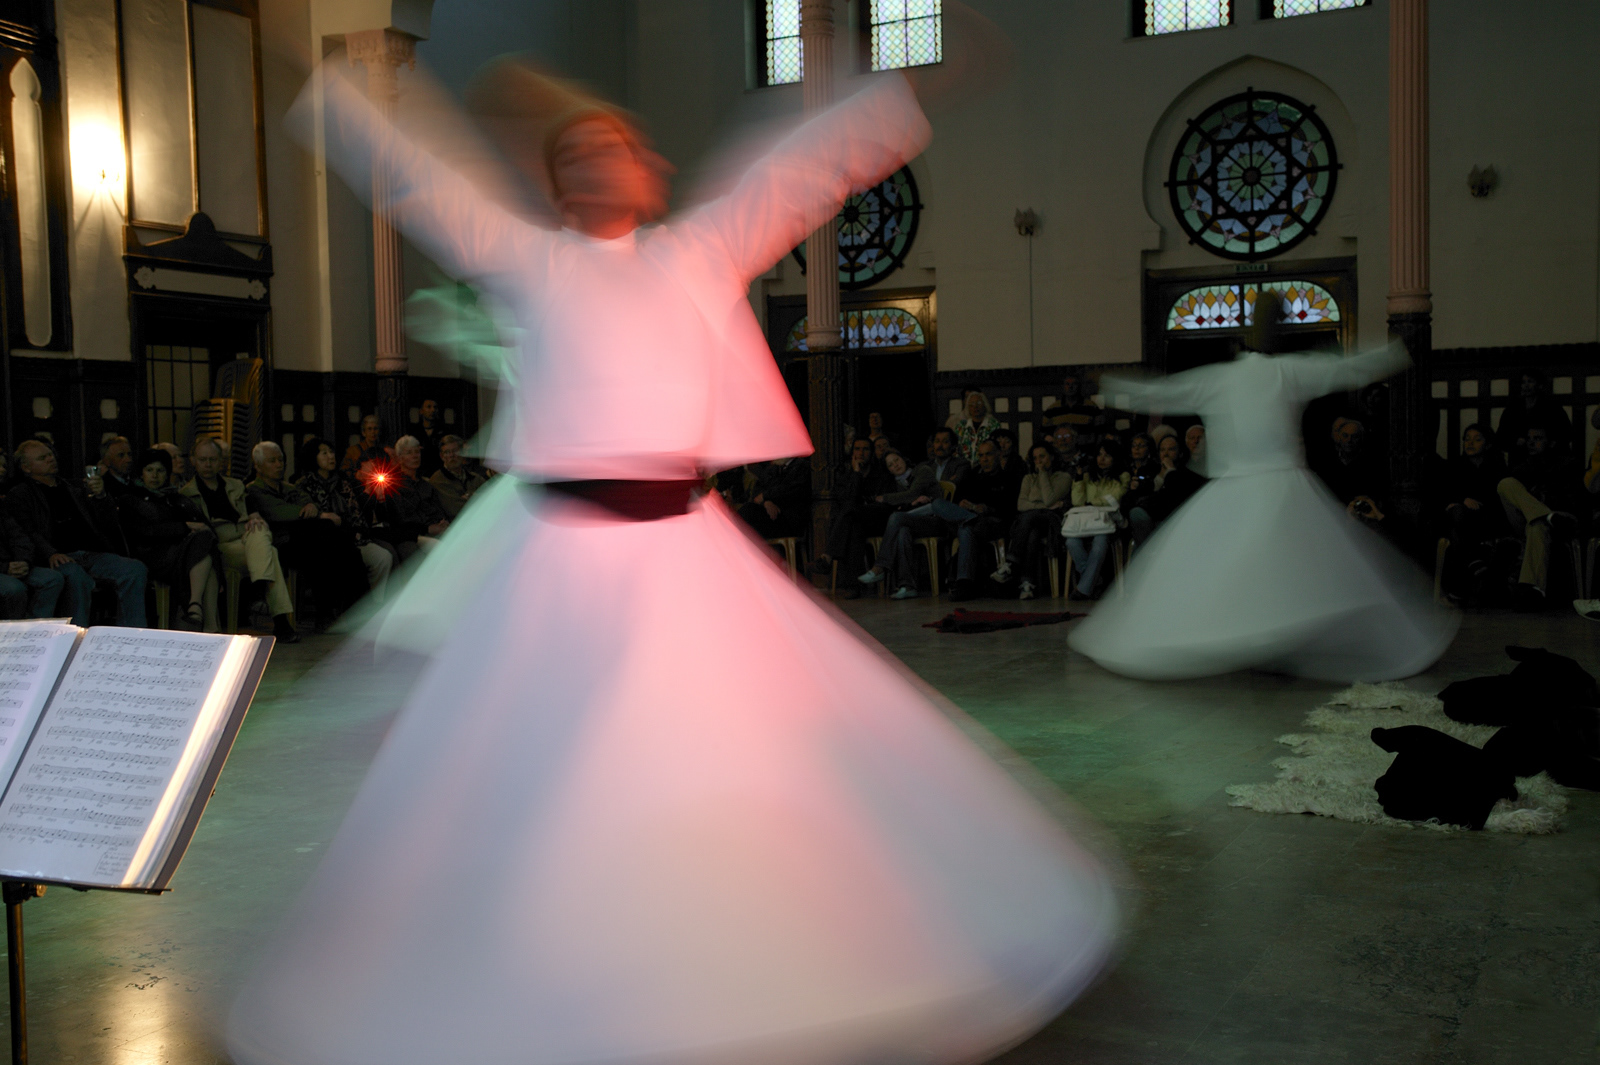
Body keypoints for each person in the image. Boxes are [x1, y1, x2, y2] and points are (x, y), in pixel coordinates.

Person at [231, 33, 1117, 1065]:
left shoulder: (696, 252)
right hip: (560, 562)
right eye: (575, 157)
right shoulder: (532, 261)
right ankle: (547, 976)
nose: (596, 165)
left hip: (686, 556)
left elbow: (803, 171)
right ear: (555, 186)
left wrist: (915, 88)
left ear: (645, 171)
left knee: (734, 768)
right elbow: (426, 180)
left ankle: (747, 964)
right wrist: (334, 87)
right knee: (544, 781)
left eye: (612, 148)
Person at [1068, 291, 1456, 681]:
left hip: (1265, 487)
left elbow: (1163, 391)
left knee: (1260, 570)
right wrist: (1395, 353)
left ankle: (1268, 640)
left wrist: (1111, 385)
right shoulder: (1271, 372)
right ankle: (1261, 639)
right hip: (1262, 488)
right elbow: (1343, 369)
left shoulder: (1258, 373)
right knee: (1267, 570)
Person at [5, 440, 147, 627]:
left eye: (51, 454)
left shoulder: (73, 487)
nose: (51, 459)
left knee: (134, 569)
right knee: (76, 577)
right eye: (42, 458)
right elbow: (27, 531)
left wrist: (101, 497)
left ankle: (131, 634)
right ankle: (76, 639)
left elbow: (108, 523)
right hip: (56, 556)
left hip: (89, 552)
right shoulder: (21, 494)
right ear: (26, 467)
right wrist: (50, 553)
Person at [182, 437, 300, 643]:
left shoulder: (236, 485)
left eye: (212, 459)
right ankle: (279, 618)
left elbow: (251, 507)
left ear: (221, 461)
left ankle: (260, 582)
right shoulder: (187, 493)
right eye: (203, 460)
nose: (208, 465)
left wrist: (254, 515)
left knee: (259, 529)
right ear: (193, 460)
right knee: (270, 553)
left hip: (247, 537)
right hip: (221, 544)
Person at [246, 440, 369, 627]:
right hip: (281, 544)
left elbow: (308, 502)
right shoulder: (253, 490)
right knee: (324, 537)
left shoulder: (288, 487)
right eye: (272, 461)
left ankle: (349, 608)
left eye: (281, 460)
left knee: (334, 545)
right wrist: (312, 512)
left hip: (305, 540)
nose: (279, 465)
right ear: (258, 466)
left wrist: (312, 507)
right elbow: (278, 511)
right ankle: (336, 610)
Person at [117, 448, 219, 630]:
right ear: (142, 472)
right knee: (203, 551)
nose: (155, 476)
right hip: (151, 555)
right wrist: (185, 527)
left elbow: (204, 525)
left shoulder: (175, 498)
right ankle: (205, 619)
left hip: (181, 552)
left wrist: (195, 528)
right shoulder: (130, 499)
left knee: (204, 553)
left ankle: (199, 613)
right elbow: (143, 531)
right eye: (150, 470)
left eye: (160, 470)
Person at [296, 438, 397, 603]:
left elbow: (355, 512)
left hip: (351, 534)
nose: (331, 456)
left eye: (332, 452)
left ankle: (375, 604)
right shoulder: (304, 484)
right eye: (324, 453)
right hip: (324, 539)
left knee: (383, 556)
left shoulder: (343, 482)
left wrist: (357, 530)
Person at [1497, 424, 1580, 608]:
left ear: (1551, 443)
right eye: (1529, 439)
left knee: (1537, 526)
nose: (1531, 443)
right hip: (1532, 518)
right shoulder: (1521, 468)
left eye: (1538, 438)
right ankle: (1546, 516)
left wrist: (1544, 497)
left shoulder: (1567, 464)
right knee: (1505, 484)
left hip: (1562, 518)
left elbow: (1574, 501)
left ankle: (1532, 589)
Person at [1430, 423, 1513, 602]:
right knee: (1457, 515)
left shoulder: (1497, 468)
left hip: (1486, 518)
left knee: (1456, 530)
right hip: (1461, 517)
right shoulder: (1455, 466)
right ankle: (1473, 564)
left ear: (1488, 444)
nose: (1470, 443)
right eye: (1467, 439)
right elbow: (1443, 493)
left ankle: (1463, 584)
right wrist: (1461, 500)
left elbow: (1496, 499)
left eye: (1477, 439)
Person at [993, 443, 1072, 600]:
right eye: (1035, 458)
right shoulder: (1028, 479)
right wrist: (1043, 506)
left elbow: (1050, 499)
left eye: (1042, 456)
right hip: (1030, 523)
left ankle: (1011, 563)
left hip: (1051, 522)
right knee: (1032, 532)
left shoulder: (1063, 477)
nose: (1039, 462)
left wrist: (1042, 474)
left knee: (1029, 517)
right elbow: (1021, 505)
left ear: (1052, 456)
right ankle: (1027, 584)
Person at [948, 438, 1016, 600]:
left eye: (988, 454)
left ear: (998, 454)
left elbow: (1010, 509)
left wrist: (987, 509)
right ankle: (964, 583)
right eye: (981, 455)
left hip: (994, 522)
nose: (984, 459)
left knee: (966, 528)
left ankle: (964, 584)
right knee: (940, 506)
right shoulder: (973, 475)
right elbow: (959, 496)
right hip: (970, 518)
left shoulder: (1008, 477)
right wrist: (962, 503)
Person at [1064, 440, 1129, 600]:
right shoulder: (1088, 476)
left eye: (1107, 455)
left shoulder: (1122, 476)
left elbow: (1114, 498)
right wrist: (1078, 478)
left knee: (1099, 545)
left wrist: (1093, 502)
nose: (1102, 459)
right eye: (1099, 454)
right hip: (1087, 520)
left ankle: (1083, 589)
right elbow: (1077, 501)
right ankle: (1095, 580)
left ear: (1114, 458)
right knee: (1071, 542)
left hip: (1107, 522)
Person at [378, 436, 452, 560]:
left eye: (417, 452)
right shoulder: (394, 486)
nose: (415, 456)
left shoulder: (426, 485)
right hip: (411, 535)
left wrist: (442, 521)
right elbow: (400, 520)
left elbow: (437, 508)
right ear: (400, 458)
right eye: (409, 453)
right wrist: (427, 528)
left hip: (433, 528)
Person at [1127, 434, 1206, 546]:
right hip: (1153, 522)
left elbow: (1173, 497)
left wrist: (1170, 471)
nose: (1166, 453)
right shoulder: (1151, 471)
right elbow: (1138, 498)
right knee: (1137, 514)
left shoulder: (1187, 475)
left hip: (1176, 522)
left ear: (1180, 453)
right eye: (1162, 450)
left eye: (1171, 449)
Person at [1494, 370, 1573, 465]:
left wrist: (1548, 442)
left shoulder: (1551, 407)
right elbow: (1501, 435)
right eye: (1523, 382)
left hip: (1548, 459)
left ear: (1540, 385)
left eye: (1530, 382)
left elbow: (1566, 432)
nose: (1526, 386)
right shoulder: (1513, 408)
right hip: (1520, 458)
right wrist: (1515, 441)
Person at [0, 507, 62, 619]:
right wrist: (4, 568)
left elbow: (19, 537)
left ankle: (37, 628)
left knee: (52, 579)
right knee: (14, 588)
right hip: (3, 569)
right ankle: (13, 632)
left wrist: (23, 560)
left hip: (12, 563)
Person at [736, 454, 810, 540]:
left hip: (788, 520)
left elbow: (790, 490)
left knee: (748, 513)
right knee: (744, 514)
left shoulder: (802, 466)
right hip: (770, 516)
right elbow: (757, 492)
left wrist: (765, 496)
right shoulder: (773, 468)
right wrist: (766, 503)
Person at [427, 435, 488, 518]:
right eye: (447, 452)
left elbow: (491, 502)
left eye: (455, 451)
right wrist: (474, 496)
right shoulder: (438, 480)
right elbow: (456, 510)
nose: (452, 455)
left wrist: (467, 497)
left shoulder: (476, 478)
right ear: (442, 456)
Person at [946, 390, 999, 463]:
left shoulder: (993, 424)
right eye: (972, 404)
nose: (975, 407)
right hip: (964, 466)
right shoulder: (961, 426)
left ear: (985, 405)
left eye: (979, 403)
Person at [415, 399, 447, 476]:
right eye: (429, 407)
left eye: (435, 407)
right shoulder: (415, 431)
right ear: (421, 411)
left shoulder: (444, 430)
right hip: (420, 472)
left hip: (440, 471)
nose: (433, 410)